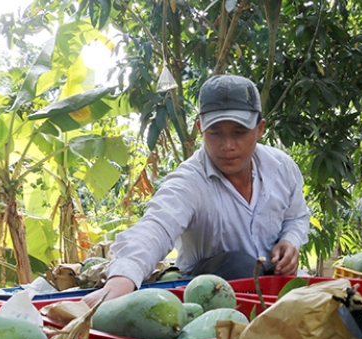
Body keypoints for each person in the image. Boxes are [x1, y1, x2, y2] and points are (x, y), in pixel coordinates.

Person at [82, 74, 311, 307]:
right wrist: (119, 283)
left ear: (259, 129)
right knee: (239, 265)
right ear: (201, 128)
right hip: (209, 294)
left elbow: (297, 217)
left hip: (274, 285)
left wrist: (289, 241)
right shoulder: (190, 181)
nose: (227, 145)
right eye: (216, 132)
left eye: (239, 132)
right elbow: (156, 227)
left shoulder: (281, 168)